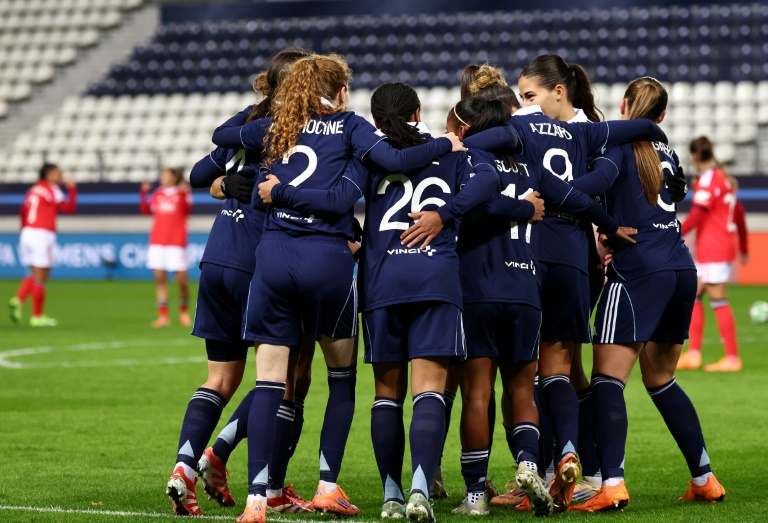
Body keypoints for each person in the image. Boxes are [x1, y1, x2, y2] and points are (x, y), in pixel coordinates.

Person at [210, 54, 464, 523]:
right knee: (341, 377)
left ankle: (256, 501)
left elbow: (221, 136)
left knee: (270, 383)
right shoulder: (350, 127)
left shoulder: (275, 126)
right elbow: (392, 159)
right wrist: (445, 145)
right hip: (327, 261)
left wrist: (273, 102)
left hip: (273, 261)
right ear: (343, 92)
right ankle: (327, 485)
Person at [400, 71, 668, 514]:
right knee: (540, 378)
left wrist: (450, 158)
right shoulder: (548, 154)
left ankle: (471, 492)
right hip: (542, 279)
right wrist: (607, 223)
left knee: (477, 392)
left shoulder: (477, 155)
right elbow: (576, 193)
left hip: (487, 285)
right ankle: (545, 460)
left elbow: (476, 196)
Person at [164, 47, 316, 517]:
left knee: (221, 377)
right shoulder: (301, 128)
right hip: (262, 264)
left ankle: (185, 467)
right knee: (288, 380)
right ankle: (261, 483)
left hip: (218, 257)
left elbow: (197, 175)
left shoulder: (247, 119)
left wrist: (226, 185)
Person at [569, 77, 726, 512]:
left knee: (606, 379)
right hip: (681, 269)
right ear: (661, 116)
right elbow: (677, 193)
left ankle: (612, 483)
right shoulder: (669, 152)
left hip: (638, 269)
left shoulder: (617, 150)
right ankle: (704, 477)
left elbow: (594, 184)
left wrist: (547, 188)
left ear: (623, 106)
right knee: (660, 379)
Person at [677, 136, 748, 372]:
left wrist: (674, 232)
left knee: (718, 298)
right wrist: (744, 246)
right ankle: (695, 354)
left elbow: (697, 215)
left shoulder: (708, 180)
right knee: (696, 294)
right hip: (719, 245)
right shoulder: (725, 179)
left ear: (694, 156)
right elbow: (738, 213)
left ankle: (732, 357)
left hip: (714, 247)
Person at [9, 163, 77, 327]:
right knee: (42, 276)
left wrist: (24, 230)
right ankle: (36, 315)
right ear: (48, 174)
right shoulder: (51, 189)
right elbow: (68, 208)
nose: (60, 177)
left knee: (33, 272)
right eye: (57, 173)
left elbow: (22, 211)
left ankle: (19, 300)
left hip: (26, 232)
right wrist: (72, 190)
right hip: (42, 233)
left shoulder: (33, 189)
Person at [140, 168, 192, 327]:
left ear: (174, 177)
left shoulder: (182, 192)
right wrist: (143, 194)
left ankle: (184, 312)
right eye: (162, 174)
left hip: (176, 242)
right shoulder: (158, 193)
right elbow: (146, 211)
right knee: (160, 279)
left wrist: (184, 193)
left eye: (166, 175)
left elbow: (187, 210)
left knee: (181, 279)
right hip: (157, 241)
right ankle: (163, 316)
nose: (162, 177)